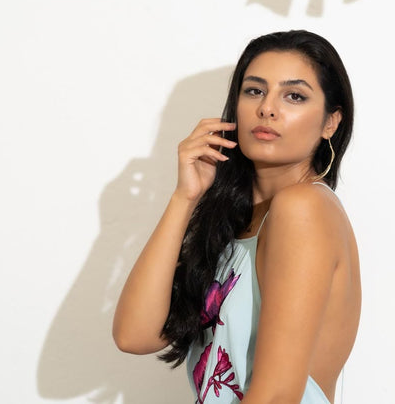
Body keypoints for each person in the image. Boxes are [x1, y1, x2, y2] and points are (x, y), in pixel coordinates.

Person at [113, 30, 361, 404]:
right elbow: (134, 335)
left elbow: (276, 395)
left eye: (294, 96)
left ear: (331, 122)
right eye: (254, 90)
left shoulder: (303, 208)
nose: (267, 109)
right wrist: (184, 197)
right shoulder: (234, 223)